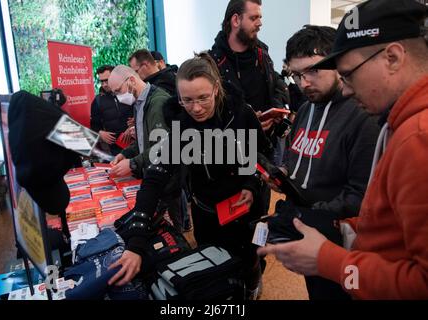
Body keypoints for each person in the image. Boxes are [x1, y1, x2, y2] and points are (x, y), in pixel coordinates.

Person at [259, 0, 428, 299]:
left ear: (393, 57)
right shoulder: (399, 123)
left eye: (349, 73)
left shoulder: (417, 137)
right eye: (296, 76)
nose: (346, 88)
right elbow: (385, 218)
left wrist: (330, 260)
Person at [107, 53, 274, 299]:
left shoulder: (240, 114)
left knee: (248, 259)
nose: (196, 108)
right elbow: (155, 177)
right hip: (204, 208)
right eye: (187, 100)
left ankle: (252, 284)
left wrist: (251, 183)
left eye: (203, 98)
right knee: (211, 260)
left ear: (216, 89)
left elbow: (258, 156)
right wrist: (136, 242)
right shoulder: (179, 123)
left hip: (244, 207)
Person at [209, 0, 290, 213]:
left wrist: (275, 111)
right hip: (230, 156)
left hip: (263, 150)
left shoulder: (263, 55)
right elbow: (209, 112)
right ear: (235, 20)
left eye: (260, 17)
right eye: (254, 18)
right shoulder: (212, 63)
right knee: (230, 219)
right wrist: (248, 121)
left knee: (259, 214)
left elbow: (278, 86)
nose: (260, 23)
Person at [107, 65, 183, 232]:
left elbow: (164, 146)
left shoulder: (157, 102)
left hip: (167, 180)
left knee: (174, 231)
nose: (118, 97)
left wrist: (133, 163)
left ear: (132, 80)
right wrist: (125, 153)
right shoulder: (139, 103)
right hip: (153, 176)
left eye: (118, 90)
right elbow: (143, 139)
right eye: (114, 93)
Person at [90, 65, 133, 156]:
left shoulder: (130, 92)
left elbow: (141, 114)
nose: (104, 84)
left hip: (135, 143)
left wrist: (133, 127)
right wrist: (100, 133)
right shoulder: (97, 101)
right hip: (113, 149)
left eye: (107, 80)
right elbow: (94, 125)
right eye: (102, 81)